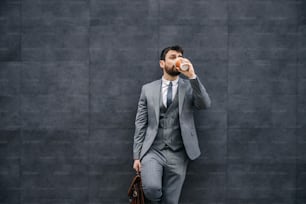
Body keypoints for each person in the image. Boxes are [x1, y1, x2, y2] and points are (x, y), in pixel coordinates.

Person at [132, 45, 211, 204]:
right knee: (152, 189)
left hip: (179, 152)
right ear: (162, 64)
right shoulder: (147, 89)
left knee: (172, 201)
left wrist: (192, 76)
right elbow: (140, 123)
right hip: (152, 149)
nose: (178, 60)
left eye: (180, 56)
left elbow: (204, 104)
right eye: (173, 57)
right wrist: (137, 155)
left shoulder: (189, 86)